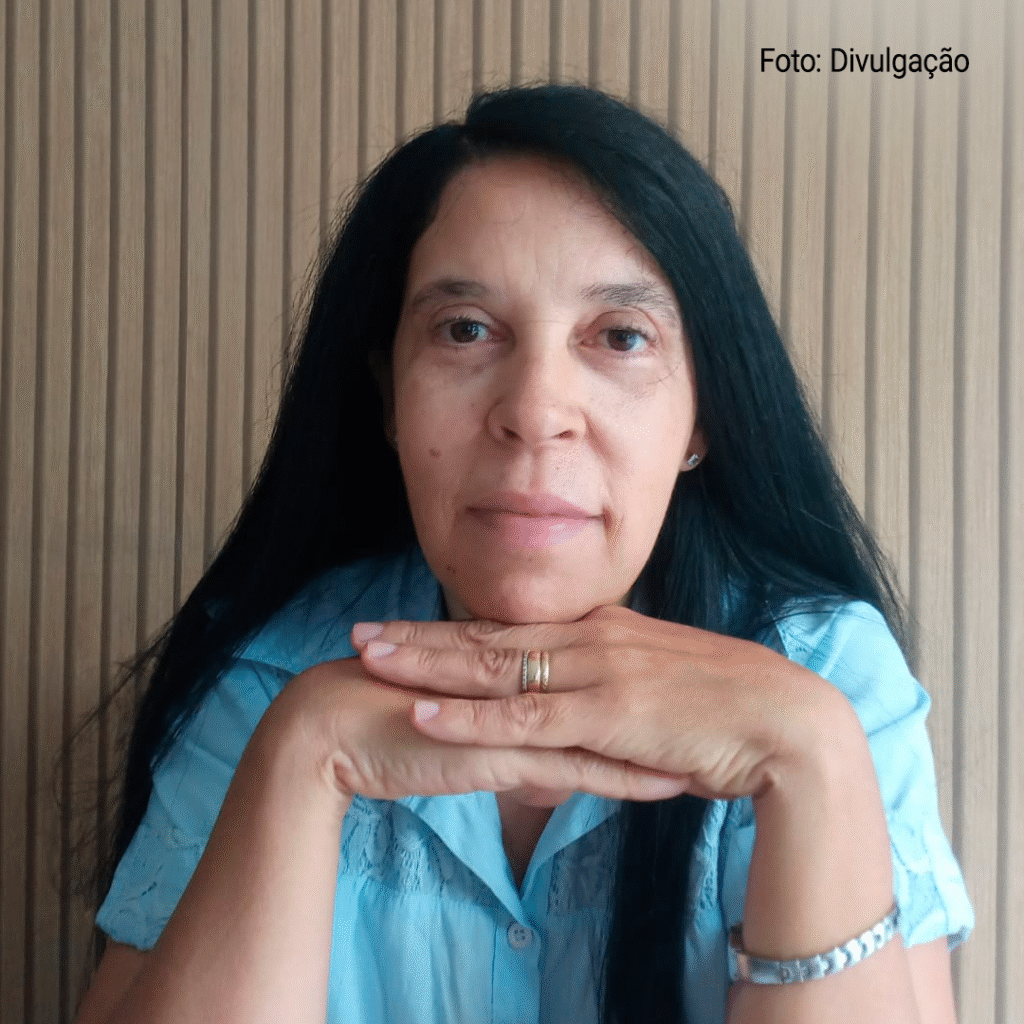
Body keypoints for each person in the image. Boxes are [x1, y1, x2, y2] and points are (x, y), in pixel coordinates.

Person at [74, 83, 972, 1024]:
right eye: (466, 330)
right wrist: (304, 753)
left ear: (704, 414)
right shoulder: (267, 677)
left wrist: (811, 755)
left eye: (620, 337)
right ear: (389, 397)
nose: (536, 411)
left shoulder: (829, 680)